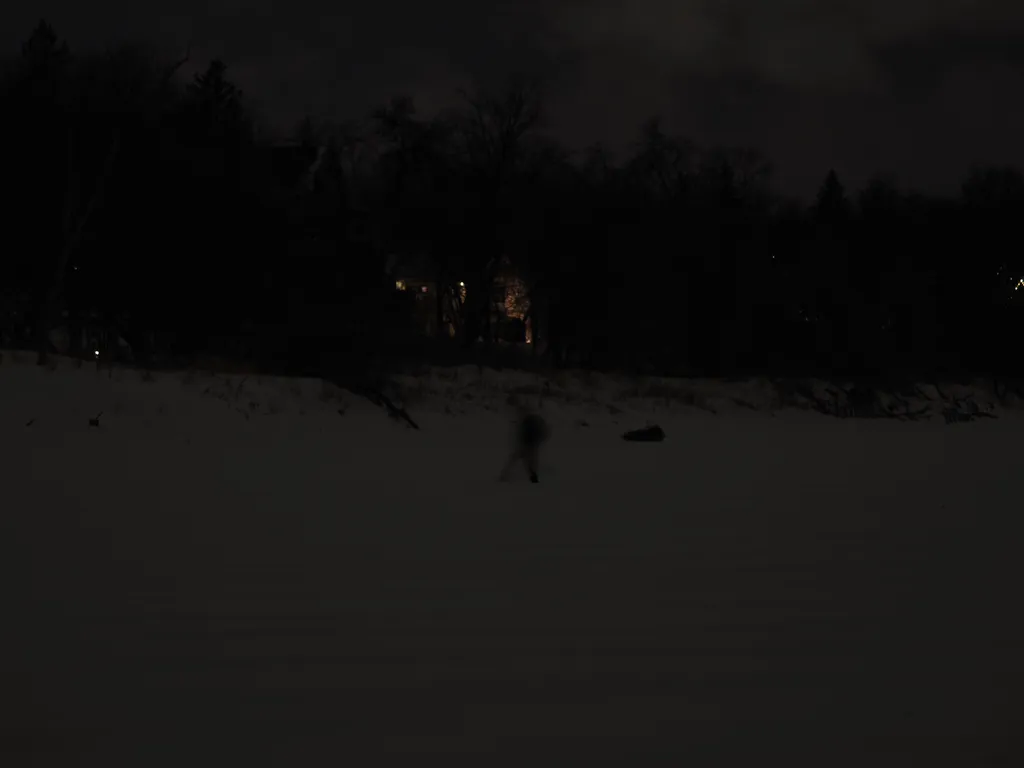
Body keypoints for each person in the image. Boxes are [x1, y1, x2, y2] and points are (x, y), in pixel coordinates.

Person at [500, 409, 548, 483]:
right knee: (530, 462)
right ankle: (534, 479)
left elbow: (521, 433)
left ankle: (503, 476)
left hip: (525, 445)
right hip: (533, 445)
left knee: (514, 459)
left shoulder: (526, 421)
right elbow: (544, 433)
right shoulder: (537, 420)